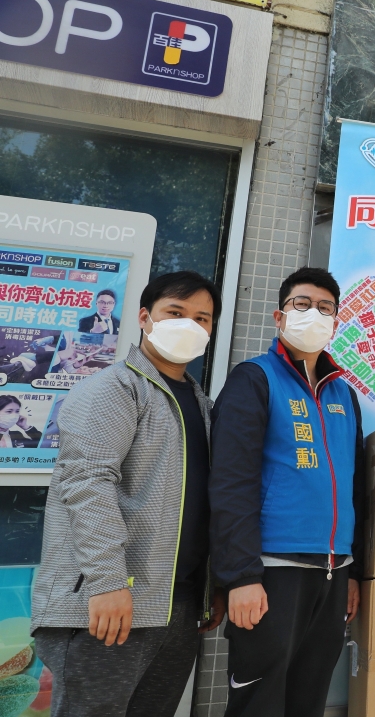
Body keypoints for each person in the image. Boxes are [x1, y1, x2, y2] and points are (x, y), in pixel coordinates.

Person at [30, 271, 226, 717]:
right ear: (144, 317)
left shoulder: (202, 405)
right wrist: (107, 581)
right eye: (175, 312)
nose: (189, 325)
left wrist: (212, 585)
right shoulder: (114, 388)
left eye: (202, 318)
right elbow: (87, 481)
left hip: (176, 604)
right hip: (109, 601)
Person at [209, 267, 365, 717]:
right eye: (302, 304)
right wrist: (241, 576)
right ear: (279, 316)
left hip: (334, 573)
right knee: (259, 703)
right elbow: (230, 482)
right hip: (271, 573)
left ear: (335, 321)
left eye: (325, 307)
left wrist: (355, 570)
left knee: (308, 701)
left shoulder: (344, 394)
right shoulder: (254, 379)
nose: (313, 313)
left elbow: (355, 487)